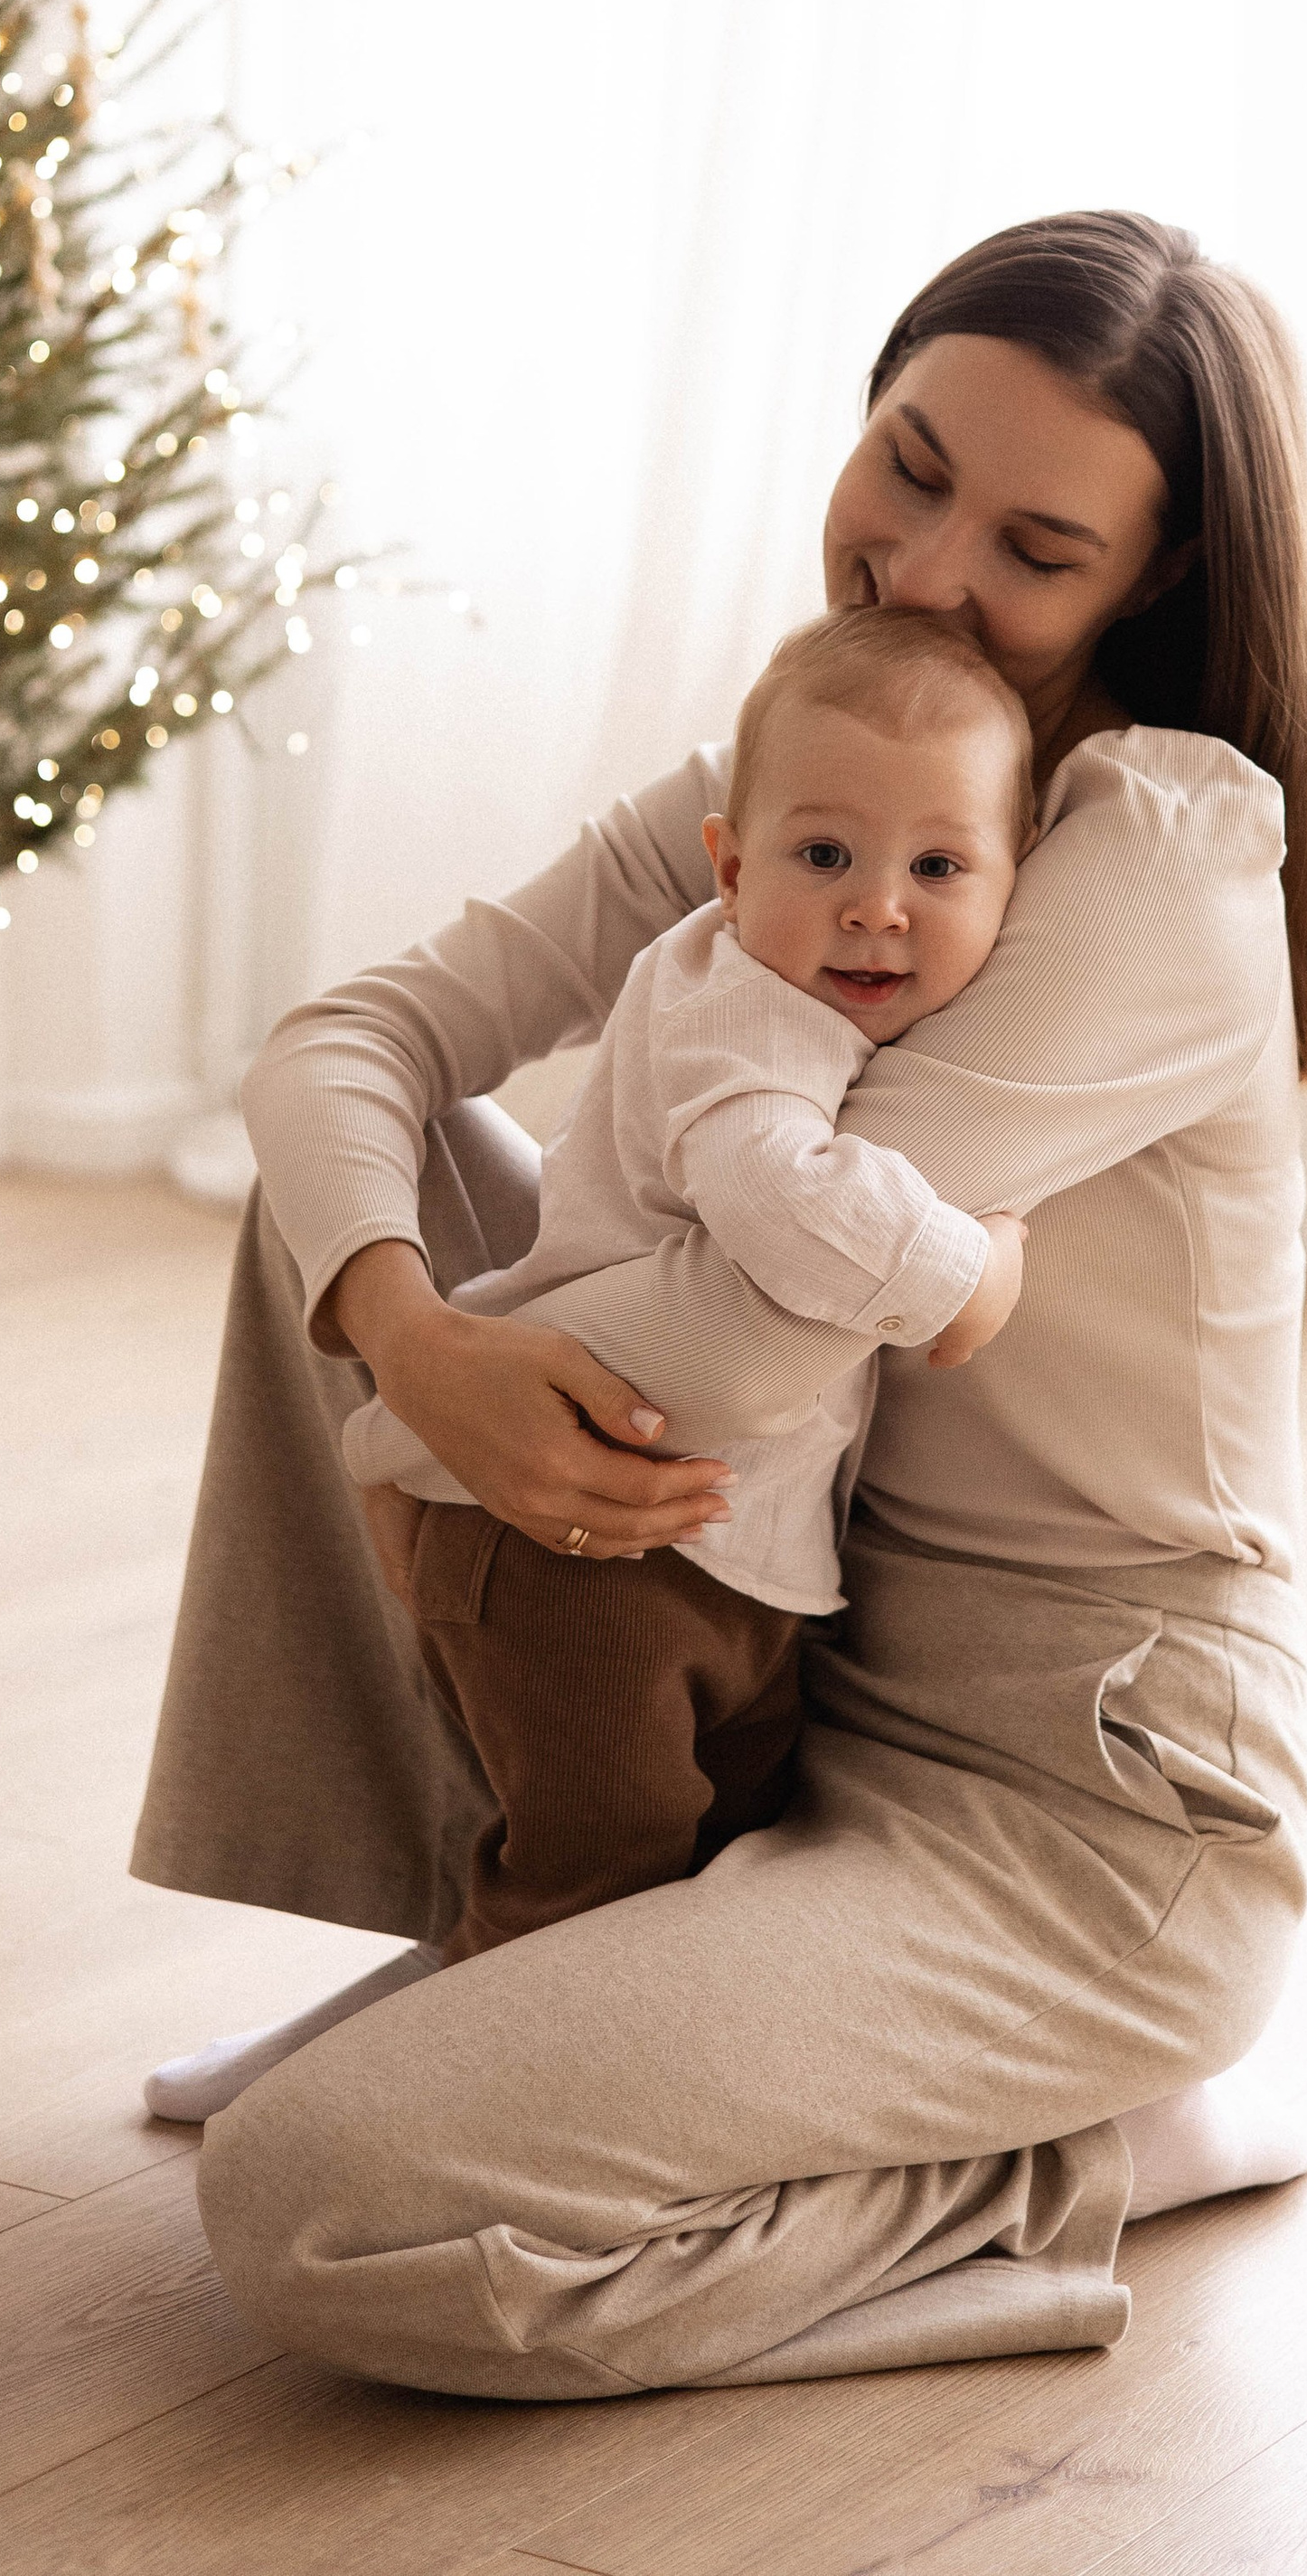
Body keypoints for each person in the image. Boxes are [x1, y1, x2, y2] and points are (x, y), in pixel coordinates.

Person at [134, 208, 1307, 2396]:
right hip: (775, 1657)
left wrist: (431, 1396)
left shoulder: (1162, 874)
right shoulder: (799, 780)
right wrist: (411, 1340)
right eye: (905, 465)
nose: (921, 569)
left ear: (1152, 583)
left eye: (1031, 544)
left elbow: (746, 1342)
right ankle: (494, 1922)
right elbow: (350, 1046)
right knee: (342, 1206)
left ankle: (1069, 2150)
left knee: (318, 2209)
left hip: (1074, 1806)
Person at [347, 604, 1036, 1964]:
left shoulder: (827, 1003)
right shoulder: (743, 1008)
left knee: (704, 1866)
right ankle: (485, 2105)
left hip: (724, 1559)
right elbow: (781, 1200)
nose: (877, 906)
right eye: (823, 853)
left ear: (1013, 892)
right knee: (593, 1882)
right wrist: (973, 1274)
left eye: (940, 865)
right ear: (728, 867)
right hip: (586, 1556)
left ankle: (579, 2079)